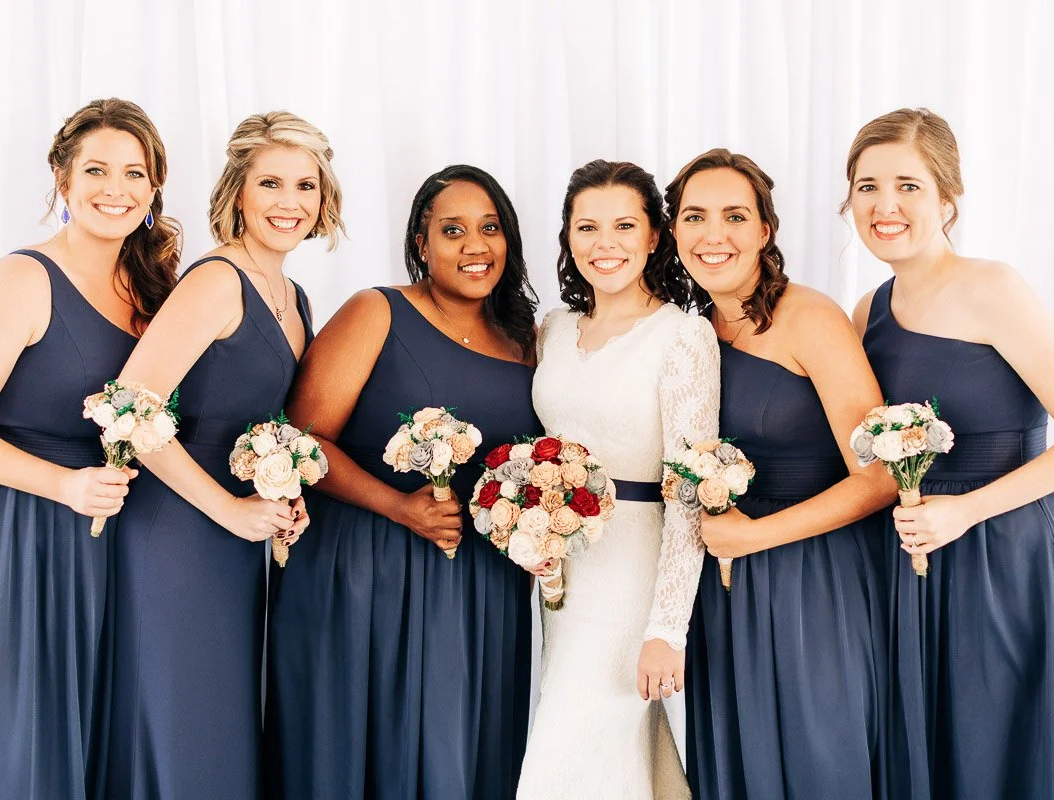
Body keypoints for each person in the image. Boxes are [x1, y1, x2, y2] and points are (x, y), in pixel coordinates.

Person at [851, 107, 1054, 798]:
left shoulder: (992, 287)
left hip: (1014, 555)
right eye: (868, 185)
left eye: (908, 186)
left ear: (947, 198)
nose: (886, 205)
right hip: (915, 565)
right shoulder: (866, 312)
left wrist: (965, 512)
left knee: (1008, 753)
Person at [0, 98, 179, 799]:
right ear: (62, 182)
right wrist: (63, 486)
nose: (115, 189)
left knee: (80, 737)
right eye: (96, 170)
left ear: (155, 190)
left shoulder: (152, 288)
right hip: (3, 531)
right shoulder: (22, 279)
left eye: (135, 173)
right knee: (12, 735)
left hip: (95, 539)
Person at [265, 164, 541, 799]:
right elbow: (300, 440)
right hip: (365, 567)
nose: (476, 246)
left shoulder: (526, 342)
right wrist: (397, 505)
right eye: (453, 230)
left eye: (490, 228)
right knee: (358, 744)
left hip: (479, 583)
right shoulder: (376, 311)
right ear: (421, 243)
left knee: (460, 749)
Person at [105, 111, 339, 798]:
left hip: (236, 539)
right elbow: (129, 408)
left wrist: (283, 495)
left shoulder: (293, 296)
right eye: (270, 183)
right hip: (176, 531)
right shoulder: (217, 281)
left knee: (225, 716)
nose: (288, 202)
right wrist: (229, 511)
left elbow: (263, 424)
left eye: (305, 185)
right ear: (239, 191)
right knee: (187, 715)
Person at [665, 148, 896, 799]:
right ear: (674, 232)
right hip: (725, 593)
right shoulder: (689, 336)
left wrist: (754, 538)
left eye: (735, 216)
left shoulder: (809, 317)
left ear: (765, 230)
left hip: (814, 583)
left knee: (819, 756)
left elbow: (880, 477)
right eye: (695, 217)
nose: (714, 235)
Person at [517, 159, 720, 800]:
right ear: (568, 237)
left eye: (624, 225)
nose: (605, 245)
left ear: (654, 237)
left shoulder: (683, 336)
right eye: (588, 227)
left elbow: (692, 493)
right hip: (560, 573)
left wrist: (666, 630)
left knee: (568, 750)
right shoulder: (551, 330)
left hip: (634, 572)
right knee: (611, 755)